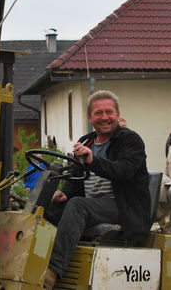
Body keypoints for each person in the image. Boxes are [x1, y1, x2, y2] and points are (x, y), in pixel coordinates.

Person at [44, 91, 151, 288]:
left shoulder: (130, 140)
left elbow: (123, 171)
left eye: (109, 112)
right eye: (98, 113)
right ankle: (33, 261)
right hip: (95, 205)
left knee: (78, 206)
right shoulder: (86, 141)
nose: (104, 117)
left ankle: (51, 272)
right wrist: (65, 192)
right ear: (90, 117)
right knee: (46, 209)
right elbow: (77, 178)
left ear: (117, 114)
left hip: (123, 206)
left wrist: (92, 160)